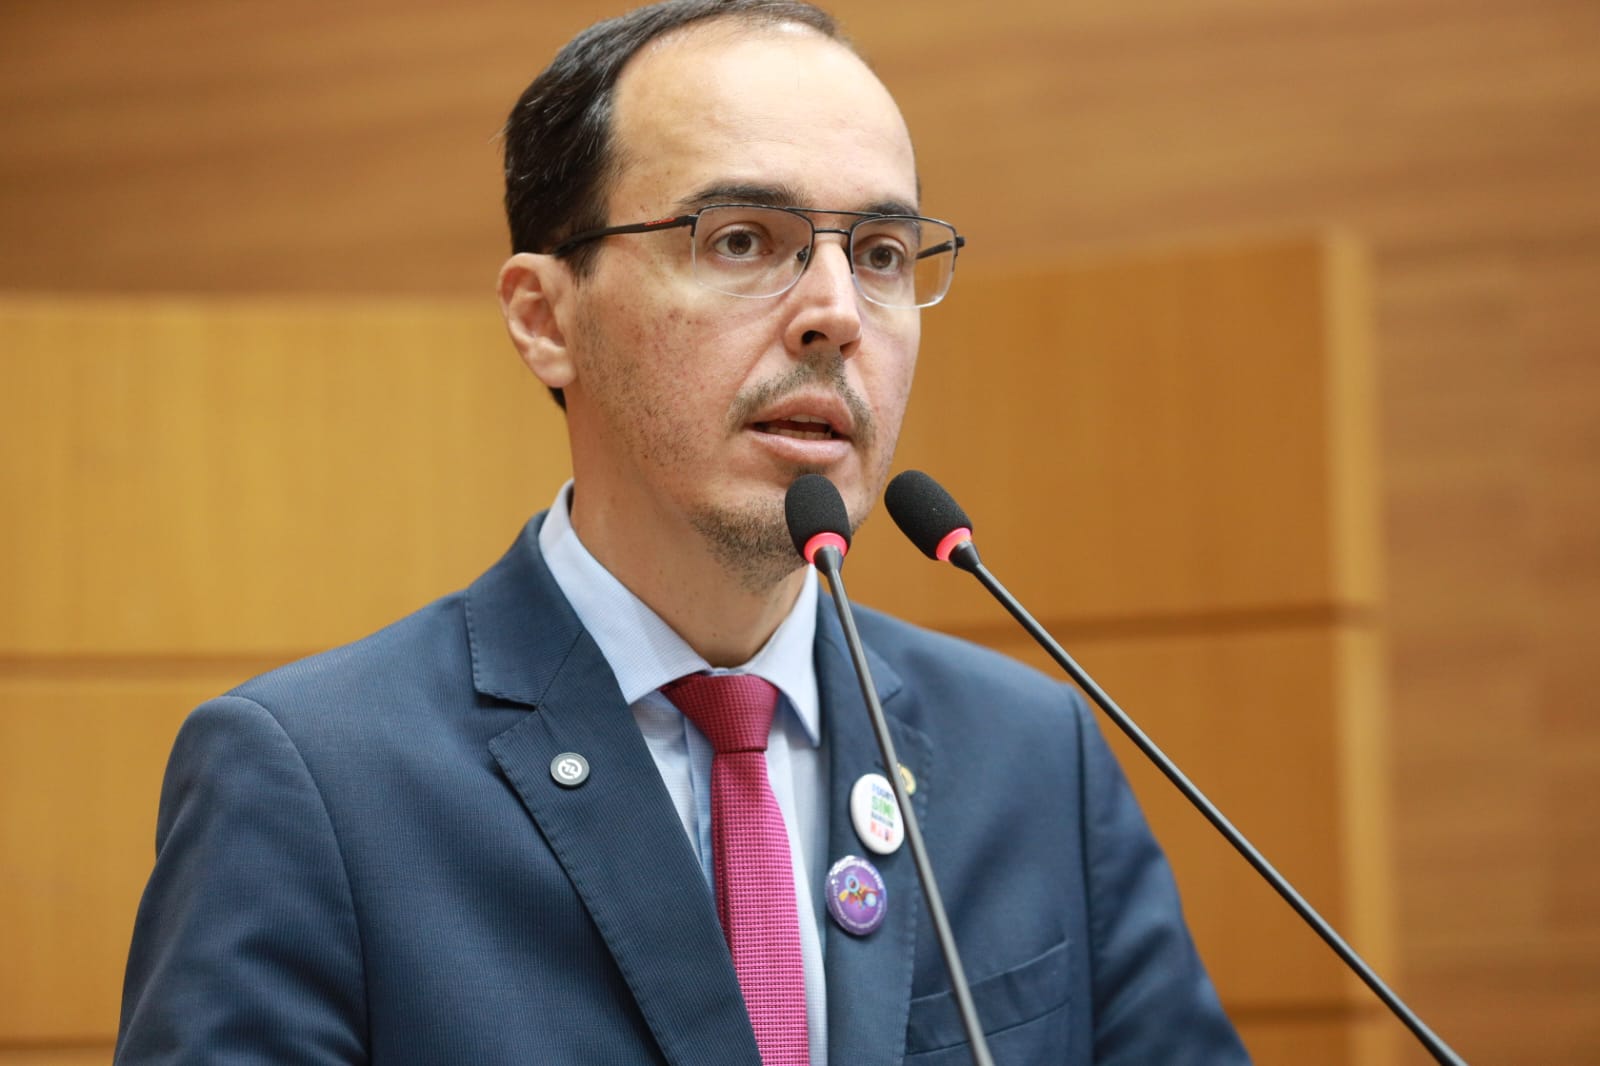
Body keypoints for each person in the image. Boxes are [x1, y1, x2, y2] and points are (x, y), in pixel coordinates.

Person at [116, 2, 1250, 1063]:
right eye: (742, 240)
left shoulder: (1033, 757)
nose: (836, 314)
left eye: (881, 254)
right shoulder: (315, 783)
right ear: (545, 317)